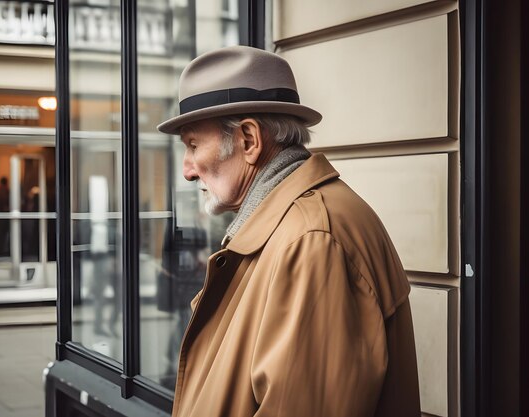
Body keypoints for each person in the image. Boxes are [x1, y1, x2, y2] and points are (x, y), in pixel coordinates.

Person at [157, 45, 421, 416]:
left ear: (249, 140)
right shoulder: (295, 227)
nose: (187, 169)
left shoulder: (312, 241)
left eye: (193, 145)